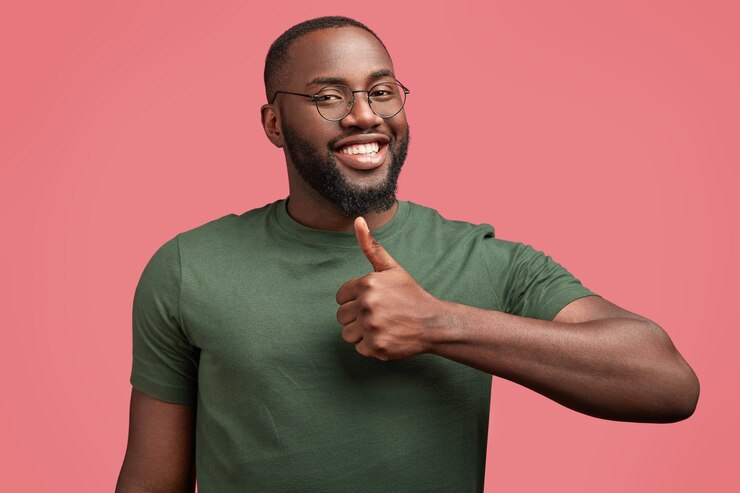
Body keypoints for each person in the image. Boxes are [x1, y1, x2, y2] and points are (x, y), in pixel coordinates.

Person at [116, 16, 699, 493]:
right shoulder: (187, 267)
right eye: (327, 96)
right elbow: (151, 480)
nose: (365, 114)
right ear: (273, 123)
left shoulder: (487, 260)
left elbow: (668, 384)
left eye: (382, 91)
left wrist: (440, 324)